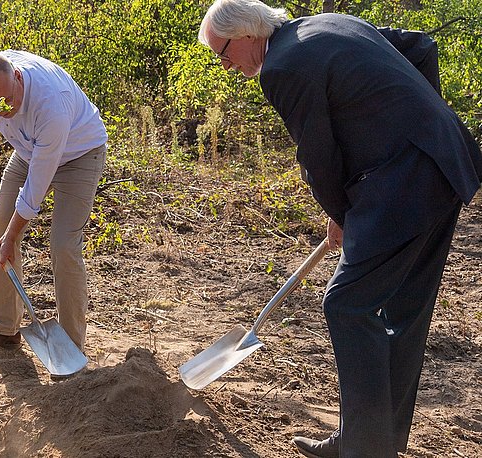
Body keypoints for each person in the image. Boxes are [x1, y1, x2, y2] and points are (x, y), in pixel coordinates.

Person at [199, 1, 482, 456]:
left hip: (404, 186)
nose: (225, 64)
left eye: (224, 52)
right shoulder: (332, 24)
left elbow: (319, 157)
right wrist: (424, 122)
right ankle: (370, 441)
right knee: (403, 313)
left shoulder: (282, 68)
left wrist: (341, 215)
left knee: (348, 304)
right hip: (446, 164)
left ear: (248, 34)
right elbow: (422, 47)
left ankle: (365, 449)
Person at [0, 51, 108, 362]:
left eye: (6, 102)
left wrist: (11, 238)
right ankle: (5, 330)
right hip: (29, 149)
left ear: (17, 77)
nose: (2, 112)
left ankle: (71, 347)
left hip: (79, 154)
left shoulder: (50, 104)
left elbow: (35, 190)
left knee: (62, 244)